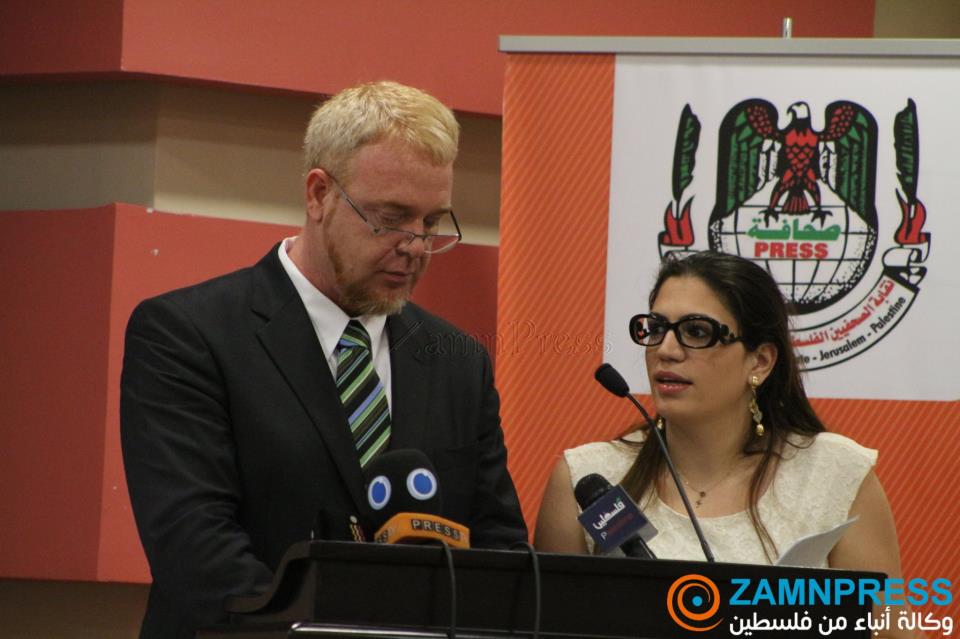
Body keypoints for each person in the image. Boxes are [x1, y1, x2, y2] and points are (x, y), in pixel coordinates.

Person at [121, 80, 527, 639]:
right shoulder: (187, 334)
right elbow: (198, 550)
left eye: (432, 223)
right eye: (391, 217)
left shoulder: (458, 361)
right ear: (318, 195)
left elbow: (498, 548)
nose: (414, 246)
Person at [535, 251, 914, 638]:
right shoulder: (587, 480)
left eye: (697, 332)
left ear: (760, 361)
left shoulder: (833, 474)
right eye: (656, 328)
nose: (666, 350)